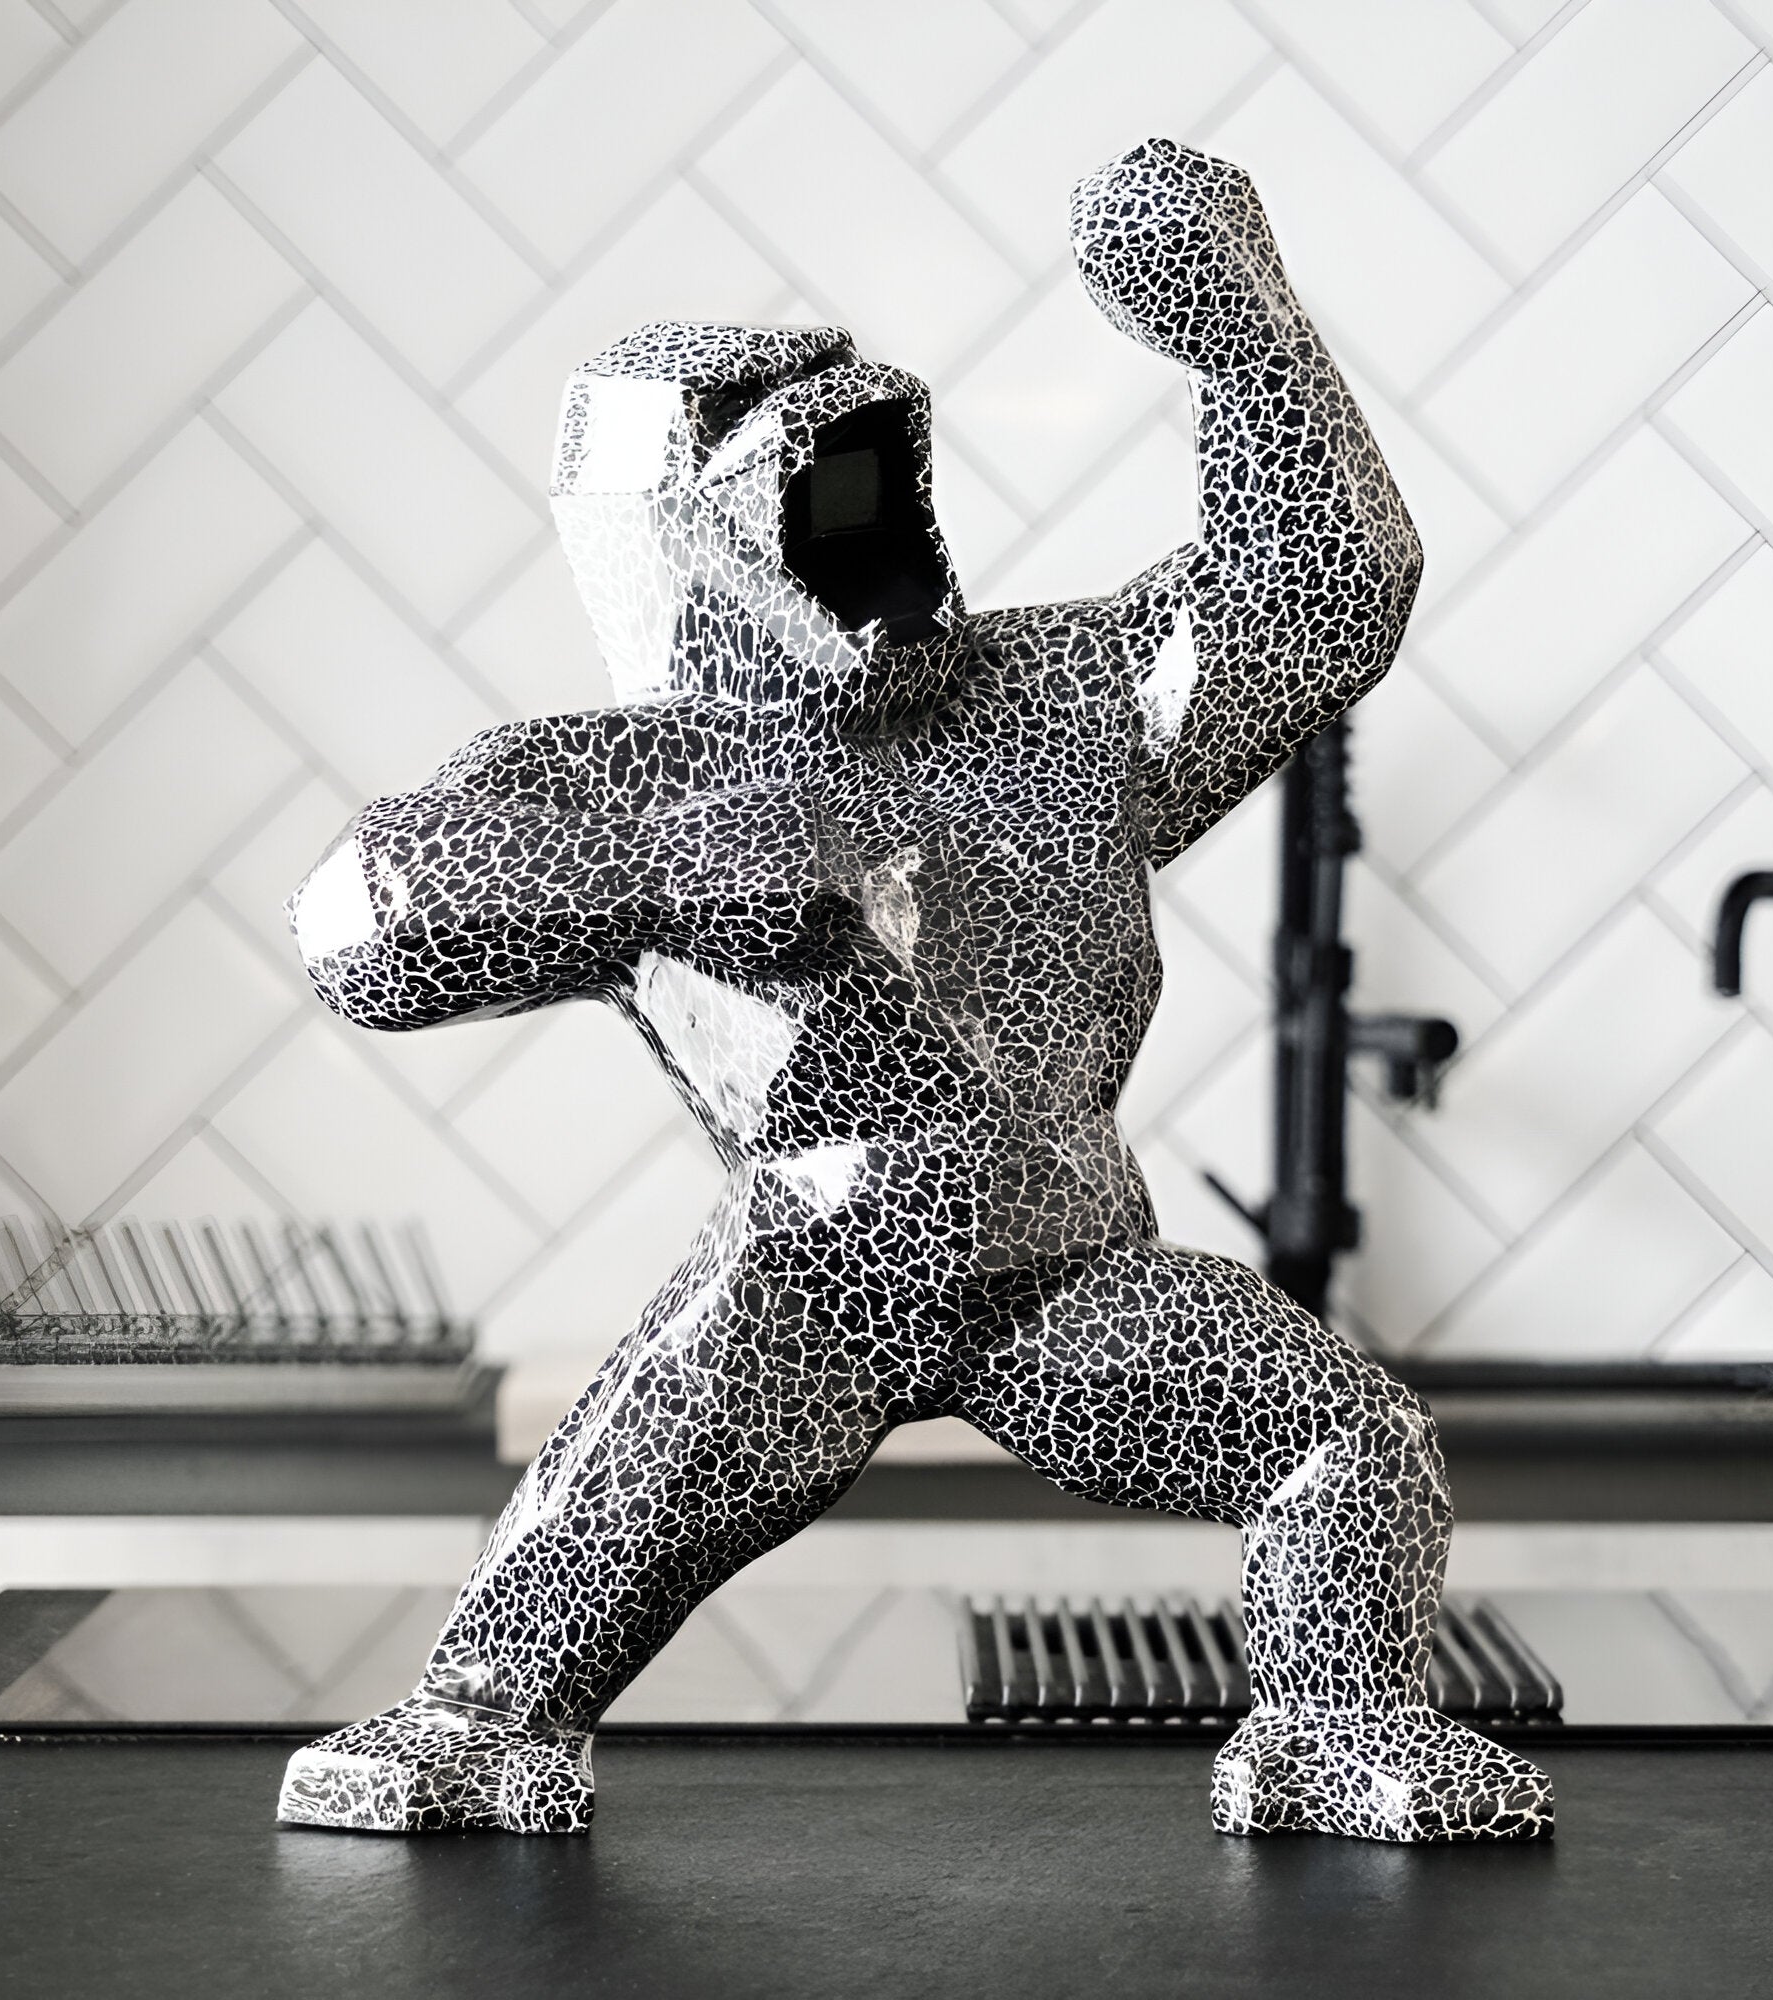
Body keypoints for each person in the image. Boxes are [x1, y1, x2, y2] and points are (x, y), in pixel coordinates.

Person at [277, 138, 1553, 1845]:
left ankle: (1331, 1729)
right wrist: (659, 876)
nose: (855, 525)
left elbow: (1320, 599)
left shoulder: (1054, 704)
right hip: (804, 1280)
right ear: (676, 545)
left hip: (1068, 1273)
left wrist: (1246, 338)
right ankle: (472, 1729)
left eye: (868, 470)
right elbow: (363, 924)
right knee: (525, 1639)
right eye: (801, 490)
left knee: (1349, 1447)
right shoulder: (624, 779)